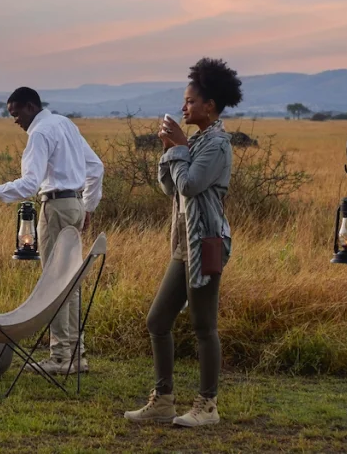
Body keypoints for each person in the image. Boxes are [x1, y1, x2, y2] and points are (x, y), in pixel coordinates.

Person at [124, 57, 243, 428]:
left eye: (190, 101)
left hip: (205, 241)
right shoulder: (197, 141)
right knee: (158, 320)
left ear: (209, 106)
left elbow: (190, 185)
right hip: (183, 244)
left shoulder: (217, 144)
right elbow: (171, 188)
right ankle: (163, 401)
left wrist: (178, 147)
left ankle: (208, 407)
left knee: (203, 325)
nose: (184, 107)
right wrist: (170, 150)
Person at [0, 86, 104, 375]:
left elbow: (29, 184)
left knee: (55, 283)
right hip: (74, 205)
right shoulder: (64, 123)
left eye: (16, 114)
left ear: (29, 107)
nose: (15, 121)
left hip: (55, 208)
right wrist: (87, 206)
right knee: (70, 282)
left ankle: (61, 357)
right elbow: (96, 167)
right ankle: (76, 355)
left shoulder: (40, 133)